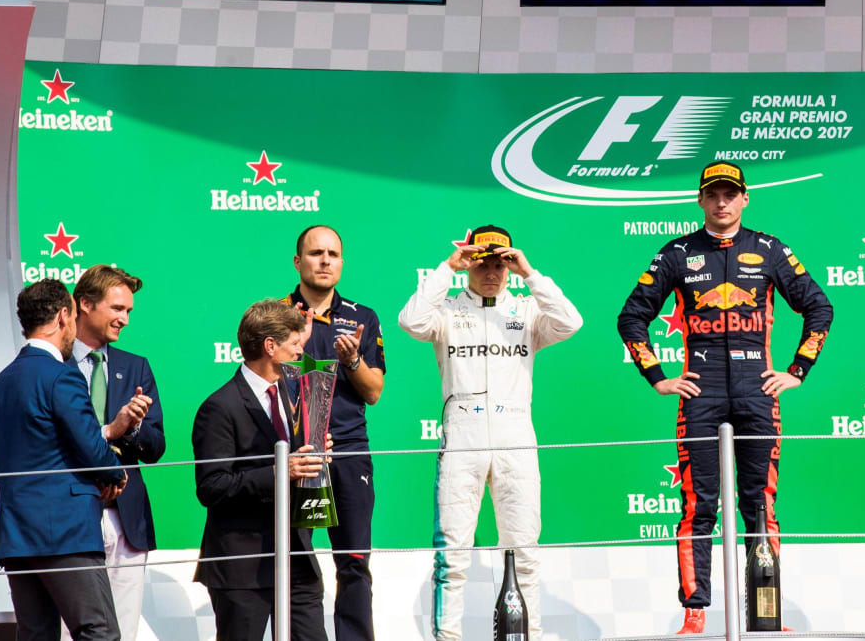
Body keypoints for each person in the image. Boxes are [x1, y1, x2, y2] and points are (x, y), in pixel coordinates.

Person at [619, 161, 833, 635]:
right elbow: (632, 317)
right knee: (699, 503)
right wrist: (657, 375)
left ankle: (766, 612)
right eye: (713, 194)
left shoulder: (770, 248)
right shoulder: (677, 252)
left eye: (730, 194)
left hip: (758, 388)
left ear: (744, 199)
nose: (722, 202)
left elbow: (819, 307)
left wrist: (797, 370)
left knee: (761, 502)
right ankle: (695, 612)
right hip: (702, 389)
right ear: (700, 200)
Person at [399, 226, 582, 641]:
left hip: (516, 431)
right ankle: (448, 637)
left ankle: (527, 634)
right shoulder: (444, 310)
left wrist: (529, 272)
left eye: (501, 263)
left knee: (524, 551)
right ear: (468, 262)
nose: (492, 271)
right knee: (452, 554)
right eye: (482, 262)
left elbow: (571, 321)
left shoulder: (525, 311)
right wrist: (448, 266)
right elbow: (410, 320)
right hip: (462, 433)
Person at [0, 279, 128, 641]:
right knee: (98, 631)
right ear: (64, 315)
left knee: (36, 635)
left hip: (17, 533)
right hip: (65, 532)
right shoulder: (60, 375)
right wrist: (114, 470)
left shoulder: (0, 382)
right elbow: (91, 447)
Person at [192, 299, 332, 641]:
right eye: (295, 345)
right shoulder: (219, 407)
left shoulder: (295, 396)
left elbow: (299, 459)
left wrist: (315, 455)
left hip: (296, 557)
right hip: (242, 566)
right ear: (270, 346)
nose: (302, 352)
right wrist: (281, 472)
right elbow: (212, 487)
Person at [283, 225, 386, 641]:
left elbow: (374, 391)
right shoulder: (276, 314)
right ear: (298, 261)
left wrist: (354, 361)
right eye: (315, 253)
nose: (325, 261)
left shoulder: (362, 317)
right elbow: (264, 382)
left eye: (333, 254)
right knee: (296, 559)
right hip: (297, 453)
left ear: (342, 262)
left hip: (348, 449)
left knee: (354, 562)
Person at [66, 265, 164, 641]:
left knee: (123, 628)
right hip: (72, 512)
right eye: (117, 308)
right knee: (70, 628)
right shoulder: (53, 364)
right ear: (85, 304)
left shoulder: (135, 366)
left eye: (129, 311)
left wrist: (133, 426)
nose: (124, 319)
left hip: (126, 520)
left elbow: (156, 446)